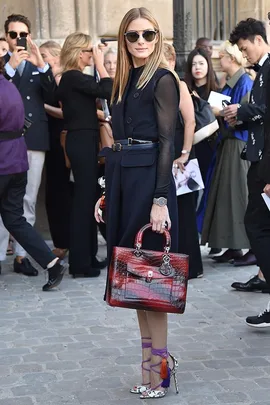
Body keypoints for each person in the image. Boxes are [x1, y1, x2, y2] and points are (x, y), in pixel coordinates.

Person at [95, 7, 179, 399]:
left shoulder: (163, 79)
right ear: (123, 40)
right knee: (135, 283)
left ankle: (160, 373)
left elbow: (167, 143)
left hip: (150, 182)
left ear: (157, 37)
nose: (141, 41)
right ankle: (149, 371)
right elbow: (116, 142)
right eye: (133, 35)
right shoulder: (122, 84)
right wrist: (108, 191)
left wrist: (160, 199)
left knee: (154, 285)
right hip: (125, 179)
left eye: (148, 34)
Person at [0, 56, 66, 290]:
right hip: (17, 162)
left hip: (4, 163)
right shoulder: (9, 86)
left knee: (15, 219)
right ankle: (52, 263)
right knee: (15, 219)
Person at [0, 14, 55, 276]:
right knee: (3, 205)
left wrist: (42, 64)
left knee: (28, 201)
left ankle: (22, 256)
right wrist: (9, 66)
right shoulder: (2, 66)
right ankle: (0, 255)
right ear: (6, 37)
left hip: (33, 140)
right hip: (6, 144)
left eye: (23, 34)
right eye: (13, 35)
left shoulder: (37, 65)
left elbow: (54, 96)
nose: (18, 39)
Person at [225, 18, 270, 327]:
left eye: (244, 49)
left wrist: (240, 111)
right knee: (257, 226)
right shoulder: (261, 73)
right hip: (257, 159)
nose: (244, 56)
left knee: (257, 227)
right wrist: (240, 118)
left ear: (258, 40)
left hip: (265, 165)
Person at [57, 32, 112, 278]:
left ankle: (88, 256)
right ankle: (80, 264)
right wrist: (101, 63)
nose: (93, 54)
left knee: (89, 199)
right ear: (80, 53)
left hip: (85, 140)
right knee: (83, 202)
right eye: (90, 51)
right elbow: (107, 89)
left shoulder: (74, 78)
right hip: (80, 142)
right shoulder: (72, 77)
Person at [201, 40, 253, 263]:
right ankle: (233, 246)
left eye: (221, 56)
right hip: (228, 142)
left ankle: (248, 246)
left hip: (237, 143)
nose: (218, 60)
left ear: (230, 58)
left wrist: (219, 112)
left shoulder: (244, 81)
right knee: (226, 195)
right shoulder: (232, 81)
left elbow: (242, 115)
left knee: (238, 195)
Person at [164, 43, 203, 279]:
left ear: (171, 61)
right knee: (172, 209)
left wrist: (185, 153)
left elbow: (190, 122)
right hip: (169, 151)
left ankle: (191, 266)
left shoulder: (179, 85)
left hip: (181, 153)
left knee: (184, 210)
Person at [185, 48, 220, 255]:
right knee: (191, 194)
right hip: (190, 151)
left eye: (201, 63)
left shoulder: (216, 93)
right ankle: (191, 239)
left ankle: (213, 238)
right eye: (194, 64)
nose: (197, 68)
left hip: (210, 149)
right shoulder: (184, 89)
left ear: (208, 65)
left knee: (211, 192)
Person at [39, 40, 72, 260]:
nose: (39, 59)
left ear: (55, 56)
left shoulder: (61, 79)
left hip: (61, 141)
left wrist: (41, 107)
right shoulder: (49, 78)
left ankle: (62, 242)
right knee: (56, 193)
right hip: (52, 140)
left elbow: (66, 112)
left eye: (43, 55)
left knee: (59, 194)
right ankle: (62, 241)